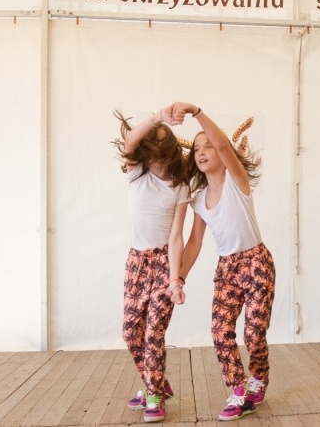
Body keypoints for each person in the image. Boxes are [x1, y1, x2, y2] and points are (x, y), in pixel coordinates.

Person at [172, 102, 275, 422]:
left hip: (257, 262)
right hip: (227, 268)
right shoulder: (199, 199)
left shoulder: (236, 180)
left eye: (208, 146)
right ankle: (238, 389)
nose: (202, 151)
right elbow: (194, 242)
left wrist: (197, 112)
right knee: (220, 330)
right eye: (197, 149)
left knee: (254, 333)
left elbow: (222, 143)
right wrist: (179, 279)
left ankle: (259, 375)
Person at [113, 107, 191, 423]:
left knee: (153, 333)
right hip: (136, 261)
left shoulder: (179, 186)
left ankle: (155, 396)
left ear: (171, 150)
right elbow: (130, 141)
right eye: (152, 143)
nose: (156, 151)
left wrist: (175, 280)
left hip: (162, 263)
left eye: (162, 144)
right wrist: (158, 116)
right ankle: (155, 381)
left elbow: (176, 237)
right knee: (131, 333)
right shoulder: (137, 172)